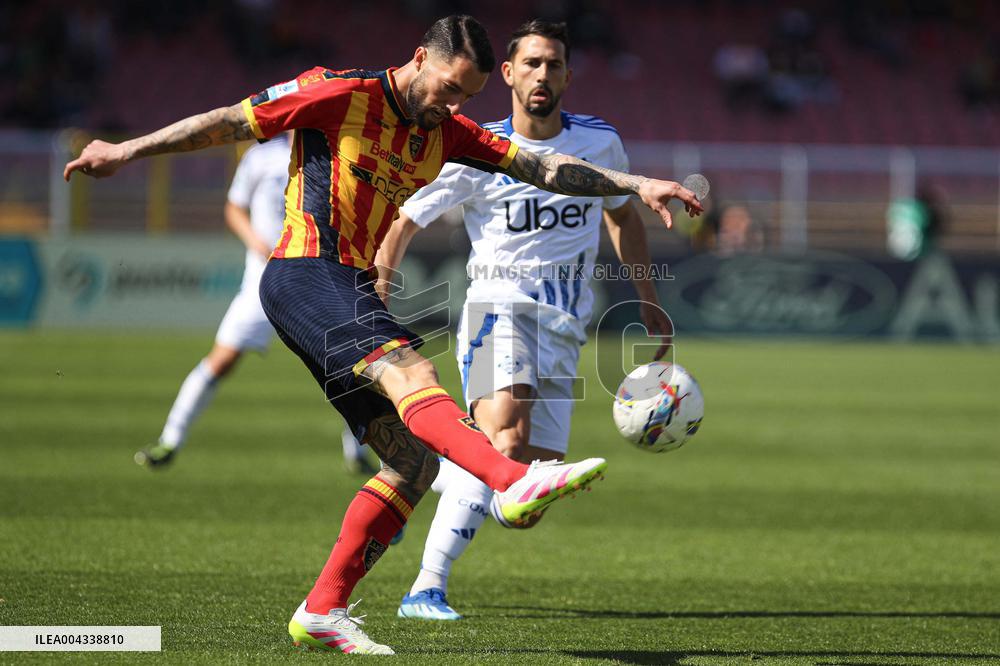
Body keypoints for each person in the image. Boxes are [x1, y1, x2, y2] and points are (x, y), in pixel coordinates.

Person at [64, 14, 701, 655]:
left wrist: (637, 182)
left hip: (350, 287)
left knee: (412, 461)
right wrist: (126, 150)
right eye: (447, 88)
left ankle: (323, 607)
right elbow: (231, 121)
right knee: (414, 374)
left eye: (464, 97)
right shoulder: (341, 92)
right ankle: (509, 480)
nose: (451, 105)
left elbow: (544, 167)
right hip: (306, 270)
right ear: (420, 56)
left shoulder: (449, 131)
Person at [375, 19, 673, 621]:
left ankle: (419, 463)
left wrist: (647, 297)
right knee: (502, 437)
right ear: (507, 74)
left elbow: (621, 216)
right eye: (531, 63)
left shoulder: (600, 144)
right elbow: (406, 220)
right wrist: (376, 288)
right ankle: (425, 589)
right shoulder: (474, 148)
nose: (543, 74)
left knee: (523, 503)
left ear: (567, 76)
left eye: (554, 64)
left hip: (565, 325)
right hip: (496, 306)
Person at [134, 132, 377, 475]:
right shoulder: (260, 156)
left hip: (317, 277)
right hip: (263, 281)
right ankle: (171, 440)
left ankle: (360, 450)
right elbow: (234, 207)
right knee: (221, 361)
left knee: (348, 365)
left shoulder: (336, 155)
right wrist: (256, 243)